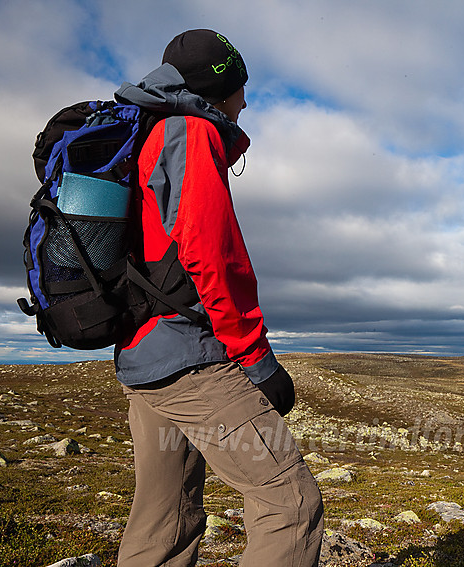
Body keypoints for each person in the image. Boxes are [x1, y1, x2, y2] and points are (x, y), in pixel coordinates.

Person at [111, 29, 324, 567]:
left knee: (165, 521)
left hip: (145, 360)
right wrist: (257, 361)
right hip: (191, 360)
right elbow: (212, 254)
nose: (247, 101)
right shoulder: (188, 131)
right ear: (218, 86)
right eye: (241, 87)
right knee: (289, 503)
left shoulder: (146, 133)